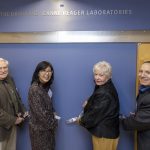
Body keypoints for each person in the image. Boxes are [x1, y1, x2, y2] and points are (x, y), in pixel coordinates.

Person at [78, 61, 120, 150]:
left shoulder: (104, 93)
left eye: (101, 75)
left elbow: (94, 115)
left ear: (108, 76)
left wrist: (80, 120)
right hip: (109, 133)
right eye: (96, 74)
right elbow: (100, 103)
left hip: (104, 135)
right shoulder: (105, 86)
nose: (97, 78)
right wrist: (89, 102)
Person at [28, 61, 58, 150]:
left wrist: (53, 111)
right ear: (38, 73)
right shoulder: (35, 89)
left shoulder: (44, 87)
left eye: (49, 71)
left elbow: (47, 105)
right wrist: (55, 122)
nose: (46, 74)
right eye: (43, 71)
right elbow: (41, 114)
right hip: (40, 133)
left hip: (47, 131)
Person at [121, 61, 150, 150]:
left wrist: (120, 120)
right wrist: (138, 114)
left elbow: (138, 122)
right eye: (141, 71)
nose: (142, 75)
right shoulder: (144, 90)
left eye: (148, 72)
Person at [0, 58, 27, 150]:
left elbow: (16, 97)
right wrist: (14, 120)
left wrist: (23, 111)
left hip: (12, 127)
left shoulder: (10, 79)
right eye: (0, 68)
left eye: (5, 67)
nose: (3, 70)